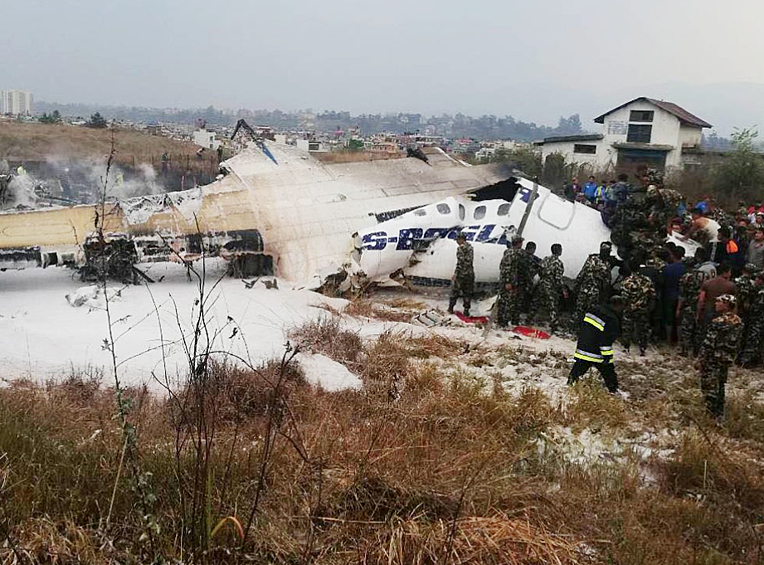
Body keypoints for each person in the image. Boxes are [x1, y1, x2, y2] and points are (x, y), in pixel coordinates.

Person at [696, 294, 742, 419]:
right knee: (721, 385)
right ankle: (719, 414)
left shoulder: (719, 322)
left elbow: (709, 343)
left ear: (726, 305)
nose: (716, 304)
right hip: (726, 359)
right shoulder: (738, 321)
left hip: (713, 358)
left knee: (710, 386)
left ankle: (710, 415)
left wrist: (701, 358)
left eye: (719, 302)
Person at [567, 295, 622, 393]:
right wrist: (607, 356)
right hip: (596, 352)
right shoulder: (612, 319)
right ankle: (614, 390)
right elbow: (606, 340)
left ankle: (569, 384)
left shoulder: (594, 310)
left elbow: (580, 323)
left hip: (583, 347)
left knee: (578, 368)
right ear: (618, 306)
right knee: (608, 371)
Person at [571, 242, 613, 333]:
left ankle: (582, 330)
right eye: (606, 251)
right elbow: (582, 273)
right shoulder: (592, 259)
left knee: (589, 312)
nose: (607, 253)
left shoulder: (606, 264)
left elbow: (607, 282)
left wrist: (604, 295)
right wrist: (576, 286)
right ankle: (573, 327)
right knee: (579, 309)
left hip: (594, 292)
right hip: (585, 289)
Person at [526, 243, 565, 332]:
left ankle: (528, 319)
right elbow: (558, 278)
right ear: (559, 251)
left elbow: (539, 270)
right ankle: (554, 325)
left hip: (542, 284)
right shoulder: (558, 263)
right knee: (552, 306)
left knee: (536, 303)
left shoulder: (545, 259)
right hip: (550, 286)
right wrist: (562, 288)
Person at [677, 251, 709, 356]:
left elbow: (682, 294)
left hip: (688, 305)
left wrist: (678, 308)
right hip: (701, 303)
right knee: (698, 328)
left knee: (686, 328)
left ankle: (685, 350)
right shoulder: (702, 274)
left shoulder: (685, 277)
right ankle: (696, 351)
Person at [620, 262, 656, 355]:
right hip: (643, 308)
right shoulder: (647, 280)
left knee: (627, 328)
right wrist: (650, 308)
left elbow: (624, 297)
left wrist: (626, 307)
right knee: (642, 330)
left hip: (629, 308)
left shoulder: (627, 281)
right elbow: (652, 295)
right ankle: (642, 349)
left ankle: (626, 348)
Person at [697, 263, 736, 344]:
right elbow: (734, 303)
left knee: (705, 333)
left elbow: (701, 300)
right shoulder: (731, 286)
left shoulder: (707, 283)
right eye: (729, 272)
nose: (730, 274)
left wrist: (698, 313)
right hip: (723, 314)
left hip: (708, 311)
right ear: (725, 272)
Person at [497, 235, 527, 327]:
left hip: (512, 281)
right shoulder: (511, 254)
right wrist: (507, 282)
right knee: (507, 301)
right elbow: (506, 268)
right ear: (518, 243)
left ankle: (506, 320)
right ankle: (503, 321)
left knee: (509, 301)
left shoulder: (512, 252)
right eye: (521, 242)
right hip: (508, 282)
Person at [739, 271, 764, 367]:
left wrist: (749, 306)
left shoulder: (761, 293)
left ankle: (747, 361)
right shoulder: (757, 290)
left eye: (758, 279)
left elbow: (756, 308)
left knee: (753, 340)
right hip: (755, 320)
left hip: (758, 321)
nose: (755, 280)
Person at [662, 247, 686, 344]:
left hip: (669, 295)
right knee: (679, 318)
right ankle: (679, 340)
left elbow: (663, 281)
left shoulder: (668, 269)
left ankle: (668, 339)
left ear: (673, 255)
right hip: (682, 295)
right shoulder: (685, 268)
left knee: (669, 317)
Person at [448, 232, 474, 316]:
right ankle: (466, 310)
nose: (457, 242)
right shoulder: (470, 247)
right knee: (467, 292)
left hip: (461, 274)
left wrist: (456, 274)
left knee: (455, 291)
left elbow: (460, 262)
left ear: (461, 239)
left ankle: (450, 308)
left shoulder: (461, 248)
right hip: (470, 274)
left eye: (458, 240)